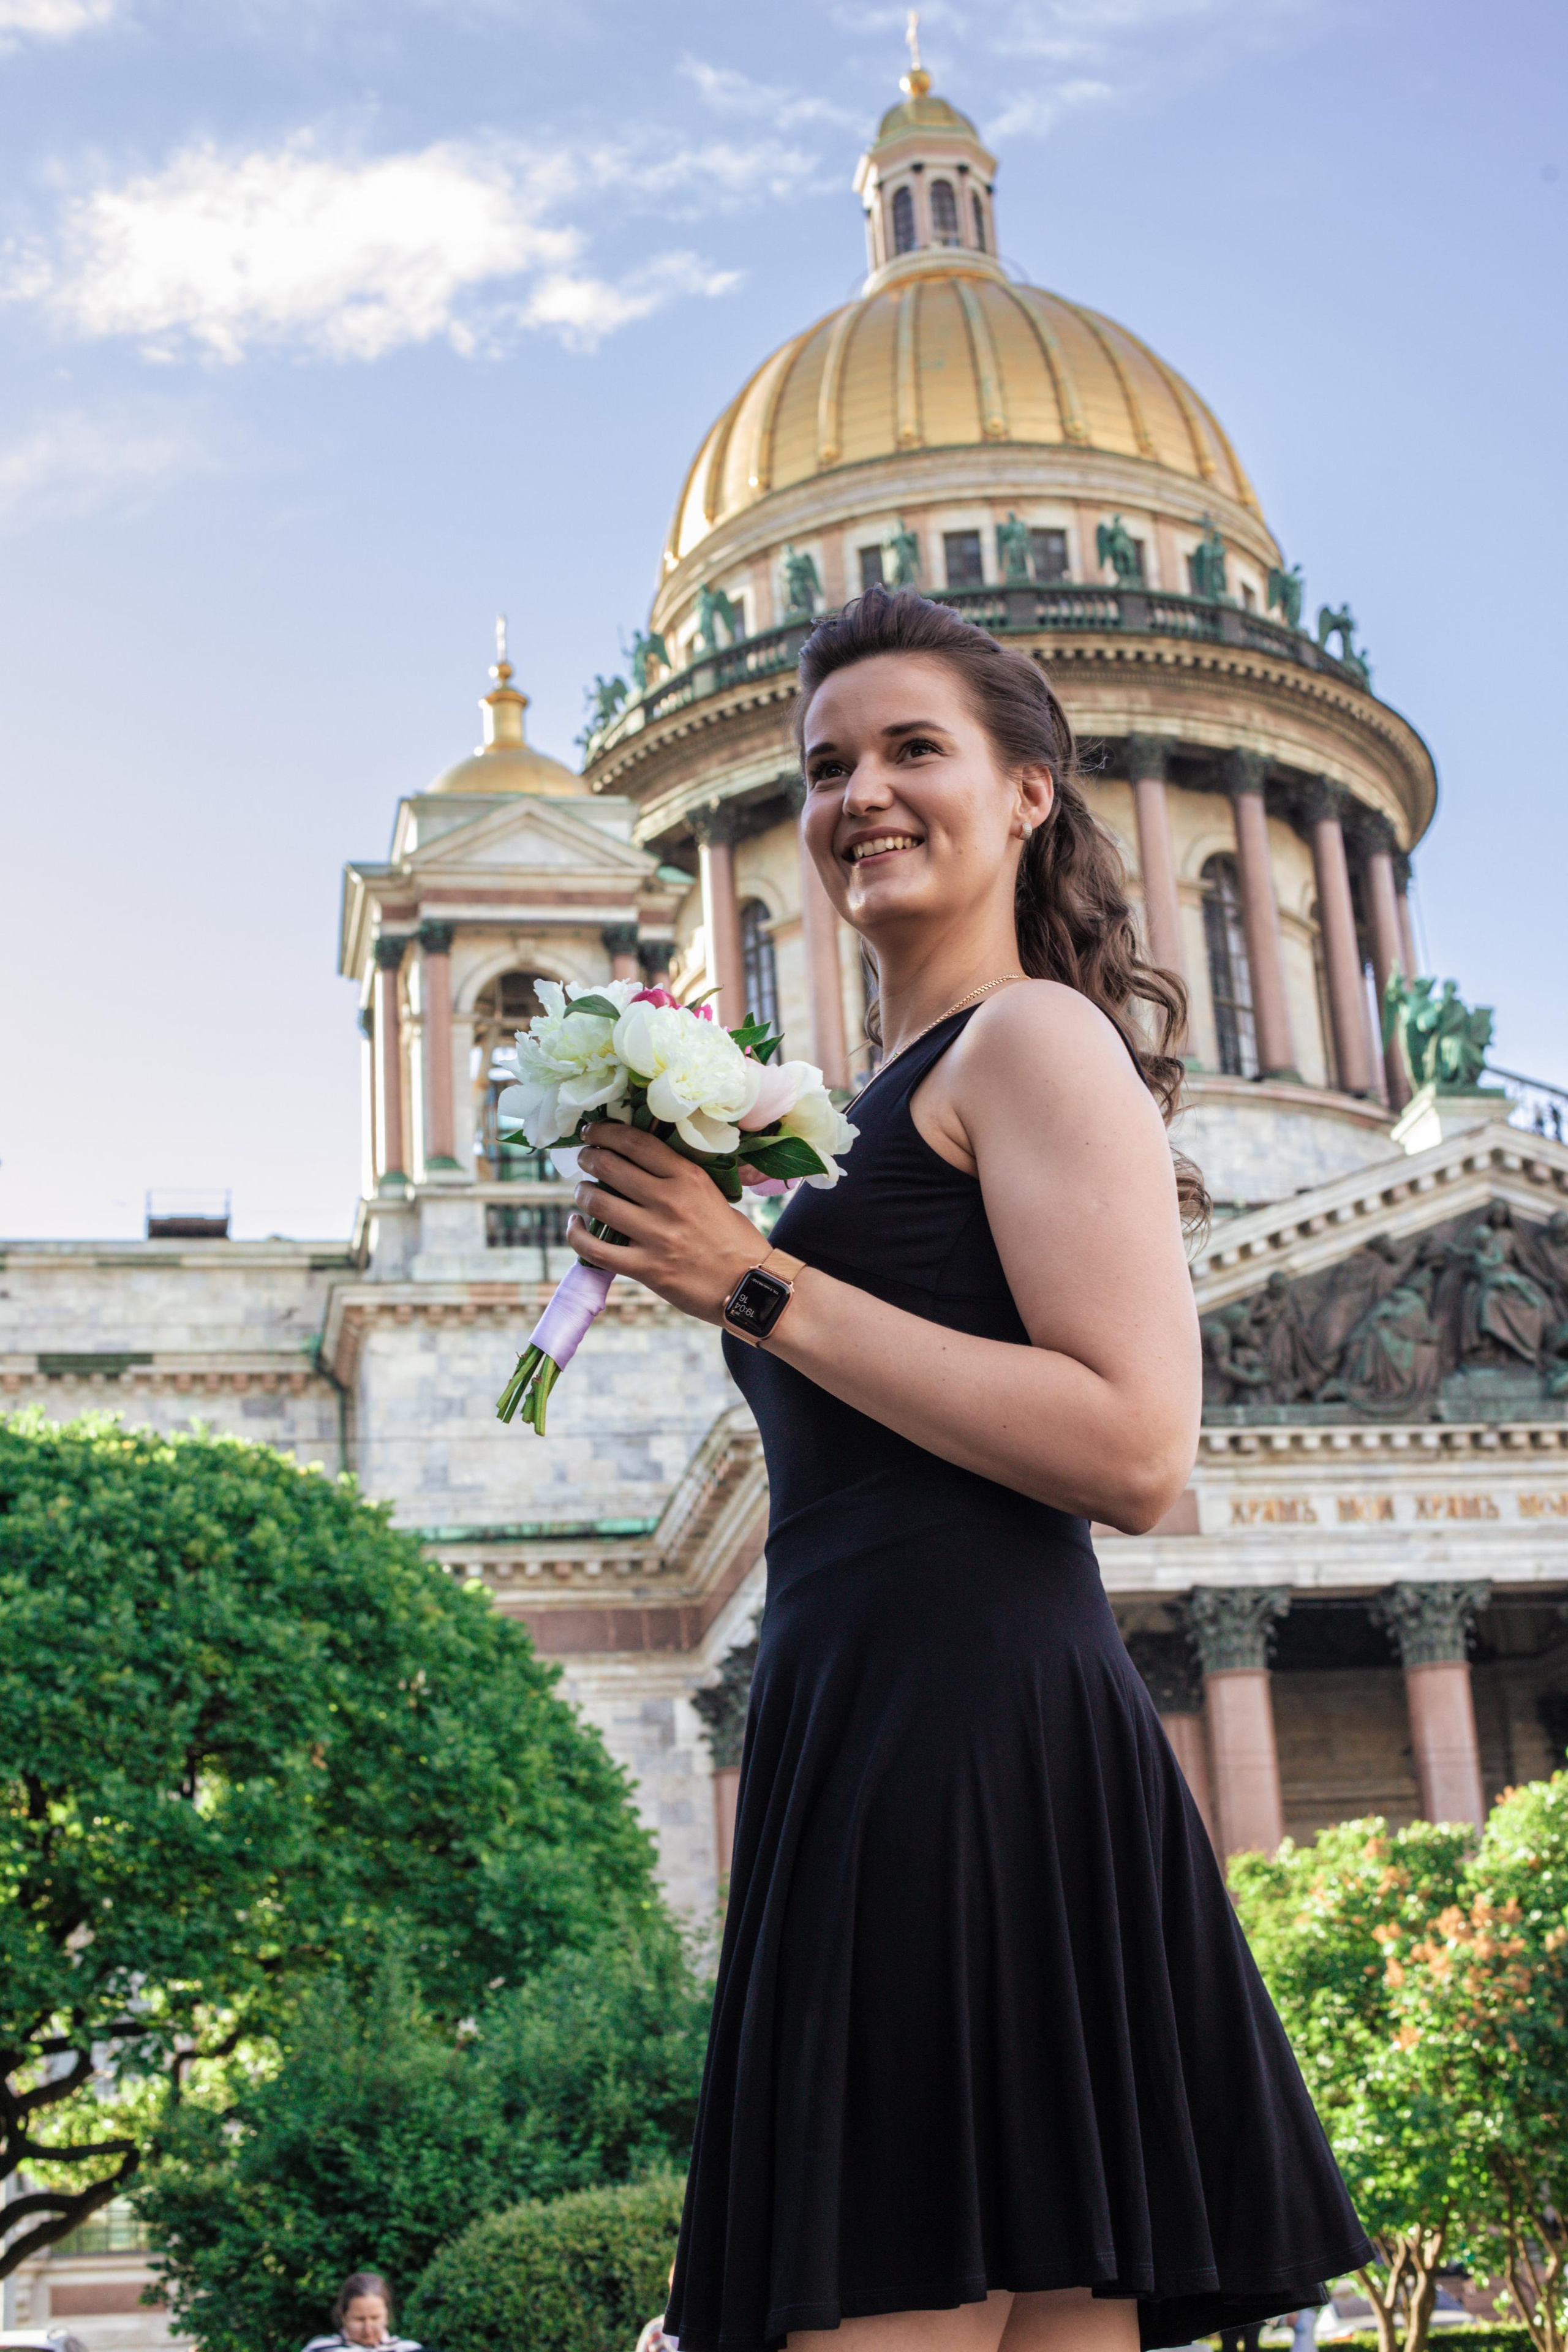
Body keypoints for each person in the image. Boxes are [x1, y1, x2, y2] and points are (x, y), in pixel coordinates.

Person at [563, 587, 1371, 2352]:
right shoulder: (849, 1121)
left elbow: (1139, 1449)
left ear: (1029, 791)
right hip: (891, 1732)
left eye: (915, 748)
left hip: (963, 1750)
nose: (861, 792)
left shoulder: (1035, 1040)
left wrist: (748, 1282)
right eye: (827, 764)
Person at [303, 2271, 422, 2352]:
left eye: (375, 2318)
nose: (368, 2328)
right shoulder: (321, 2348)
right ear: (343, 2316)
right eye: (360, 2319)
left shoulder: (411, 2349)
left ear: (386, 2314)